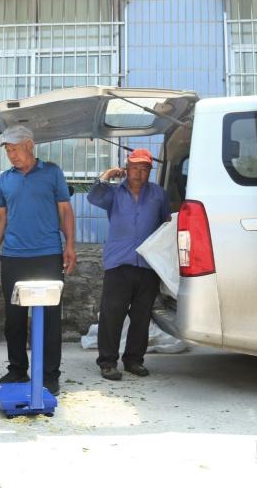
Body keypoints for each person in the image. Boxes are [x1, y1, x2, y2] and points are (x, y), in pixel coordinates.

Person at [0, 125, 76, 397]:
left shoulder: (52, 173)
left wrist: (70, 245)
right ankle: (17, 369)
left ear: (29, 145)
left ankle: (49, 375)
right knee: (13, 318)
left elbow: (65, 211)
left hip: (48, 254)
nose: (11, 155)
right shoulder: (6, 179)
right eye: (8, 151)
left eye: (14, 149)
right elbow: (0, 217)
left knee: (49, 317)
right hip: (13, 256)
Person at [87, 148, 171, 380]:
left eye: (144, 169)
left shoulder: (159, 194)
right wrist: (105, 177)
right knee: (112, 314)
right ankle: (108, 362)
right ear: (126, 169)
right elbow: (93, 197)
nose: (139, 173)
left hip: (148, 263)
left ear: (149, 172)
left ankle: (134, 360)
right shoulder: (113, 193)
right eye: (134, 167)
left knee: (142, 316)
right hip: (118, 262)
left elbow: (165, 224)